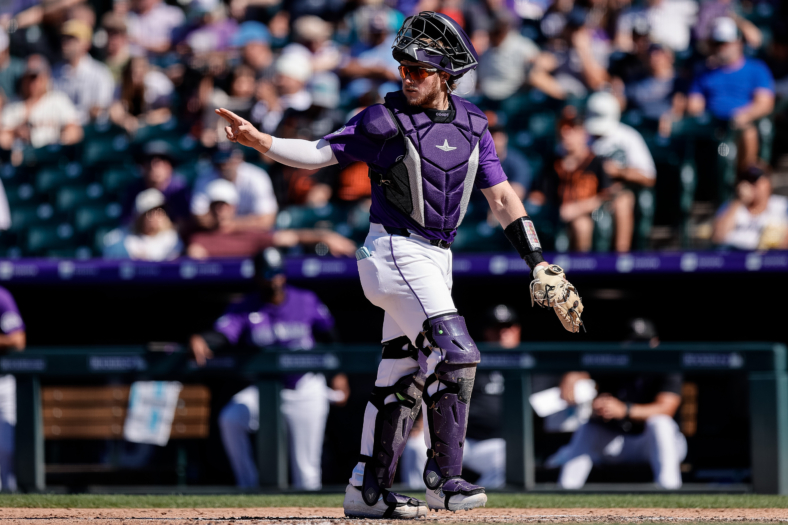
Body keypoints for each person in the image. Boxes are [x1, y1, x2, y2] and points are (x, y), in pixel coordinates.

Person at [214, 11, 583, 518]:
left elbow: (500, 196)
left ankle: (367, 488)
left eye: (420, 70)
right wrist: (262, 142)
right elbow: (319, 153)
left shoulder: (474, 121)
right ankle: (444, 477)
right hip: (394, 250)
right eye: (404, 68)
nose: (408, 77)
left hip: (438, 258)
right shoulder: (382, 120)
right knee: (457, 353)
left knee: (401, 374)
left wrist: (538, 262)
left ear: (446, 75)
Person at [189, 248, 345, 489]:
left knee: (306, 470)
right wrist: (202, 339)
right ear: (256, 276)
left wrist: (338, 375)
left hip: (304, 387)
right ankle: (249, 486)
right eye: (267, 273)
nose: (273, 278)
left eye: (277, 272)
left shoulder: (305, 300)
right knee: (231, 418)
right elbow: (223, 334)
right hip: (265, 389)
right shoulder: (245, 307)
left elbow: (330, 337)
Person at [547, 319, 686, 489]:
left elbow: (666, 409)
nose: (638, 348)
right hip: (620, 443)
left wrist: (624, 410)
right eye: (633, 343)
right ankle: (566, 490)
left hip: (657, 445)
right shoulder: (617, 361)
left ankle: (669, 489)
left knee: (660, 423)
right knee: (589, 427)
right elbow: (581, 371)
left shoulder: (666, 364)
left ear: (655, 342)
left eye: (643, 343)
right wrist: (574, 382)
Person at [402, 304, 513, 489]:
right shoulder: (470, 358)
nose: (502, 333)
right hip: (457, 438)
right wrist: (424, 420)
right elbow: (440, 387)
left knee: (511, 458)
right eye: (496, 328)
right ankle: (420, 499)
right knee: (416, 446)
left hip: (494, 443)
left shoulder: (531, 360)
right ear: (486, 331)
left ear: (517, 329)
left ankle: (476, 503)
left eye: (507, 327)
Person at [687, 17, 775, 173]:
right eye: (716, 43)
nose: (720, 48)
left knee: (748, 132)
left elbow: (765, 103)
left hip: (740, 125)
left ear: (738, 43)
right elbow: (695, 105)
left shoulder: (756, 69)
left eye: (724, 43)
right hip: (713, 127)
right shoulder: (704, 72)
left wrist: (745, 115)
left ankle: (744, 177)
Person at [186, 179, 355, 258]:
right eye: (216, 206)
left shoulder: (251, 235)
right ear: (209, 209)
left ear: (234, 207)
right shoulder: (198, 239)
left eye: (224, 205)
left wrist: (325, 236)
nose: (220, 211)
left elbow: (290, 237)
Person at [529, 110, 610, 252]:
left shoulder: (596, 162)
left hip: (591, 216)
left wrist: (578, 208)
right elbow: (539, 195)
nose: (565, 133)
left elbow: (606, 196)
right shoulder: (553, 163)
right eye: (563, 128)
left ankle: (583, 269)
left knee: (581, 225)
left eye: (572, 128)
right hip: (556, 216)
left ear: (584, 134)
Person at [585, 91, 656, 252]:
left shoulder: (628, 136)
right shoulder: (582, 138)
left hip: (619, 192)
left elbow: (649, 176)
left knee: (622, 201)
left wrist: (619, 171)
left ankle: (621, 257)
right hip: (588, 192)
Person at [0, 55, 82, 150]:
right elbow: (4, 137)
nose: (32, 83)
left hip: (53, 155)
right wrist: (15, 132)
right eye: (28, 78)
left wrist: (62, 139)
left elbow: (75, 131)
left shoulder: (58, 100)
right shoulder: (13, 105)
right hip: (24, 156)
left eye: (35, 77)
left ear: (46, 77)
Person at [191, 145, 278, 231]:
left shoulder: (257, 177)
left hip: (251, 234)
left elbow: (267, 220)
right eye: (220, 159)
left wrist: (232, 224)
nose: (224, 164)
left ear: (239, 157)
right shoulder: (205, 178)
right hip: (217, 234)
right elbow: (199, 217)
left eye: (228, 158)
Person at [52, 19, 115, 124]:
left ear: (86, 44)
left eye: (72, 39)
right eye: (64, 38)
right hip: (62, 132)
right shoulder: (54, 73)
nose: (65, 43)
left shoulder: (100, 73)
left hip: (91, 132)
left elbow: (101, 111)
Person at [712, 166, 788, 250]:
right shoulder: (731, 205)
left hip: (767, 258)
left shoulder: (782, 206)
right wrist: (740, 201)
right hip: (732, 257)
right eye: (746, 180)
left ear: (768, 183)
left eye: (754, 180)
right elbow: (718, 237)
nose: (749, 185)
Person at [121, 141, 191, 225]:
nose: (153, 166)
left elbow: (184, 222)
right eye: (148, 160)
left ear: (170, 166)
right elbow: (126, 222)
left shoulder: (179, 189)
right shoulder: (134, 189)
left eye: (160, 161)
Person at [104, 188, 183, 260]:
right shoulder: (120, 238)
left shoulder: (172, 239)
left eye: (160, 211)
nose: (156, 216)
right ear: (139, 217)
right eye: (150, 213)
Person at [476, 11, 539, 101]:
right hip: (487, 95)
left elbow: (538, 59)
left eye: (498, 32)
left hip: (513, 95)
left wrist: (529, 75)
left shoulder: (520, 44)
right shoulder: (487, 51)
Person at [0, 286, 26, 492]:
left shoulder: (2, 296)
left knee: (6, 448)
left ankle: (9, 495)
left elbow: (18, 340)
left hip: (2, 381)